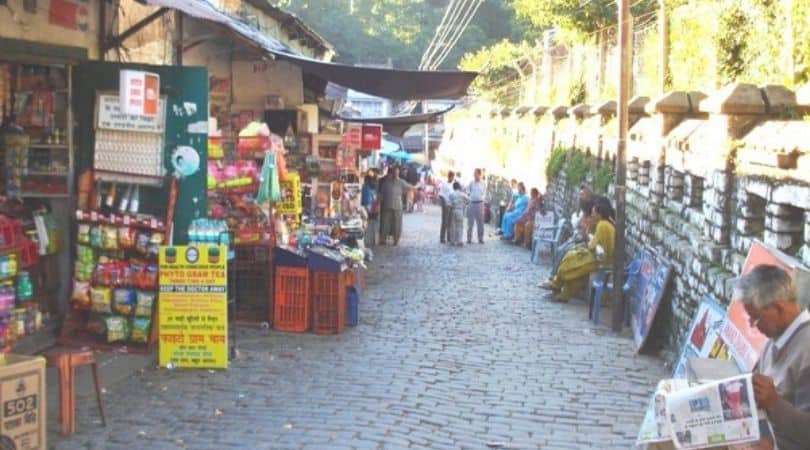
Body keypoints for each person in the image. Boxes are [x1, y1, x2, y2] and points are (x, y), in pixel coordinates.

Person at [733, 265, 810, 450]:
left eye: (757, 319)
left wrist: (774, 403)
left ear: (779, 308)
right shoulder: (774, 339)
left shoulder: (806, 349)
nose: (753, 326)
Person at [542, 196, 615, 302]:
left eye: (594, 213)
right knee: (575, 267)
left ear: (600, 214)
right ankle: (564, 295)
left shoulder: (602, 225)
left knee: (570, 259)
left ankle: (556, 283)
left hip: (600, 260)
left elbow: (592, 245)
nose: (592, 215)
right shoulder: (605, 224)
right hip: (599, 257)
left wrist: (588, 236)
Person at [378, 165, 414, 246]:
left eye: (397, 172)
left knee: (397, 224)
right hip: (387, 205)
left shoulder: (401, 182)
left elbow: (410, 188)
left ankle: (396, 240)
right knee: (385, 223)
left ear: (398, 173)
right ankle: (383, 239)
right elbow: (381, 194)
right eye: (394, 172)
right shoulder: (386, 182)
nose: (395, 174)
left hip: (397, 206)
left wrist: (406, 193)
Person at [466, 168, 487, 244]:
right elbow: (467, 191)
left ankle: (480, 238)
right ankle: (469, 238)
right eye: (474, 173)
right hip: (472, 203)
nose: (474, 175)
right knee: (470, 223)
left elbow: (485, 193)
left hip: (480, 204)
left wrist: (482, 199)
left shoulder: (483, 183)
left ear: (479, 174)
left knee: (480, 223)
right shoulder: (471, 183)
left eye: (476, 173)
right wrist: (469, 196)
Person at [448, 182, 469, 246]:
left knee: (453, 226)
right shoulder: (463, 194)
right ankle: (459, 241)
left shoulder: (451, 194)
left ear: (453, 187)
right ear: (459, 187)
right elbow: (468, 200)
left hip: (453, 210)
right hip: (460, 210)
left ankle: (452, 241)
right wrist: (464, 204)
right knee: (460, 226)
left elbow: (449, 203)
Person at [438, 172, 456, 244]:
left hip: (452, 205)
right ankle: (442, 238)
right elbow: (440, 195)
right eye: (451, 177)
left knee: (450, 222)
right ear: (449, 177)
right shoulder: (444, 184)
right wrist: (444, 202)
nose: (452, 178)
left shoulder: (454, 184)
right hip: (446, 205)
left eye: (453, 177)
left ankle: (449, 237)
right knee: (444, 222)